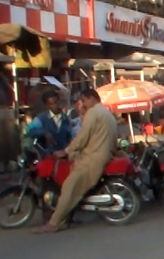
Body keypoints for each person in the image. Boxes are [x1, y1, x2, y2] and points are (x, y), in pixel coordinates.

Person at [37, 89, 117, 233]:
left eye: (84, 101)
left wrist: (66, 151)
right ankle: (67, 217)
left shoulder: (93, 113)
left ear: (91, 98)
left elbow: (82, 137)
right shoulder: (106, 113)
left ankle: (53, 223)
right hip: (101, 155)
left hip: (91, 158)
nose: (83, 104)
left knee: (69, 187)